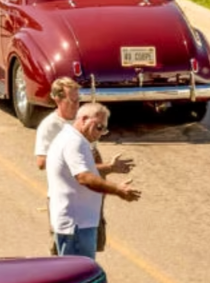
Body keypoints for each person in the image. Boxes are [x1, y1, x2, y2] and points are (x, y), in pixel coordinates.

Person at [45, 102, 139, 260]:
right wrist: (117, 189)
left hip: (79, 223)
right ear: (83, 119)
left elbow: (78, 171)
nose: (100, 133)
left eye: (104, 129)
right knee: (77, 279)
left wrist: (109, 167)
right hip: (76, 225)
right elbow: (84, 177)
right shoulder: (74, 143)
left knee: (78, 277)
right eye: (99, 127)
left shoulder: (73, 139)